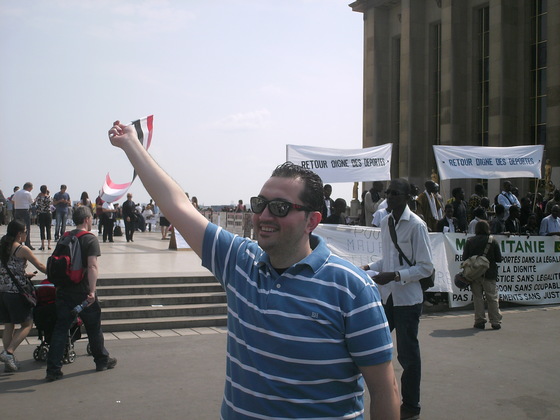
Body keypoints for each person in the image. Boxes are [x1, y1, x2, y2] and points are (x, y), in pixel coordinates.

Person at [108, 121, 400, 419]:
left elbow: (384, 389)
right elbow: (177, 205)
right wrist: (132, 144)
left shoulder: (352, 288)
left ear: (311, 221)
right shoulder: (239, 262)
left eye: (280, 207)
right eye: (260, 203)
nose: (263, 215)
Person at [362, 178, 434, 420]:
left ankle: (411, 406)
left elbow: (426, 267)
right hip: (387, 297)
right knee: (370, 345)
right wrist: (369, 267)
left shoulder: (416, 226)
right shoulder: (385, 221)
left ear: (407, 197)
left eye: (395, 193)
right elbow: (388, 260)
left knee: (408, 356)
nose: (389, 197)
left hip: (407, 300)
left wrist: (394, 275)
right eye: (387, 193)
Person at [45, 206, 116, 381]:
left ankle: (53, 369)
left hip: (63, 290)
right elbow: (92, 266)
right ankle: (101, 360)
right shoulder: (89, 239)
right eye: (91, 218)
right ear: (86, 219)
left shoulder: (65, 237)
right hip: (82, 291)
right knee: (93, 327)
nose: (92, 221)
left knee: (61, 329)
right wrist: (92, 291)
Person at [0, 219, 47, 372]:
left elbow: (8, 268)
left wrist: (23, 274)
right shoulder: (22, 249)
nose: (27, 234)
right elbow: (40, 266)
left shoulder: (3, 246)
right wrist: (56, 273)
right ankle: (9, 352)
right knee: (27, 324)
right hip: (16, 293)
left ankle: (9, 360)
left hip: (2, 292)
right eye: (26, 232)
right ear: (19, 234)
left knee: (9, 325)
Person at [462, 220, 503, 330]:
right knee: (492, 298)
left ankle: (479, 321)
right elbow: (499, 259)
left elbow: (464, 258)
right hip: (490, 273)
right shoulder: (492, 241)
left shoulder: (470, 241)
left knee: (477, 298)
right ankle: (495, 322)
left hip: (474, 274)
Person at [12, 182, 35, 250]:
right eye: (31, 188)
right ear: (28, 187)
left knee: (18, 227)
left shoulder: (17, 192)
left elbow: (12, 201)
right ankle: (27, 243)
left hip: (17, 211)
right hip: (25, 211)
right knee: (26, 227)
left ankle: (18, 242)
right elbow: (32, 202)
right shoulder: (28, 193)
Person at [35, 185, 53, 250]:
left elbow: (34, 202)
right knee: (48, 229)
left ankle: (42, 245)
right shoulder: (49, 197)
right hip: (48, 213)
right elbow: (51, 203)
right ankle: (49, 245)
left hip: (41, 214)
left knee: (42, 229)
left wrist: (38, 195)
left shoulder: (39, 197)